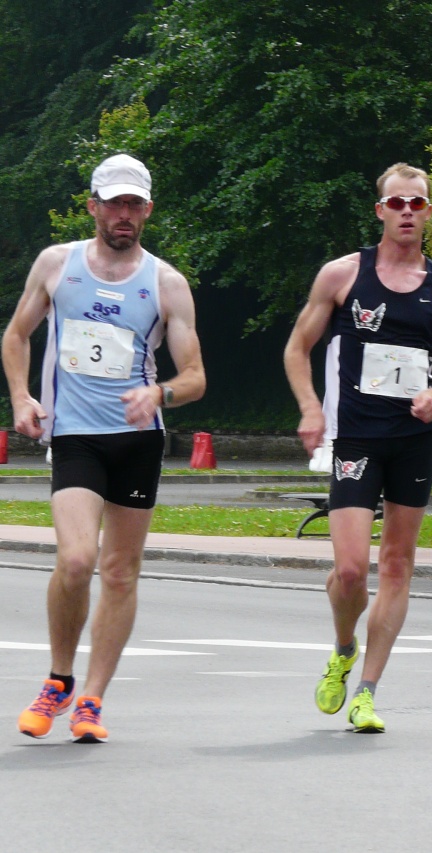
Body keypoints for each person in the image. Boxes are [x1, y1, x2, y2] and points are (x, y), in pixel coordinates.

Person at [2, 153, 206, 743]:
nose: (124, 215)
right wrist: (20, 397)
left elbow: (194, 375)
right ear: (93, 205)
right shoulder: (56, 265)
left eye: (134, 205)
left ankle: (91, 699)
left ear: (147, 210)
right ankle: (58, 679)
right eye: (113, 203)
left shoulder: (166, 283)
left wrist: (159, 393)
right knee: (75, 560)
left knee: (119, 572)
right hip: (74, 436)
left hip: (137, 441)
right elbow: (16, 335)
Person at [284, 162, 432, 733]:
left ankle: (367, 691)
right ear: (381, 211)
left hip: (416, 439)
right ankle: (344, 647)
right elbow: (297, 348)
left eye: (418, 203)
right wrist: (312, 409)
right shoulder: (343, 276)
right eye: (398, 203)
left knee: (395, 564)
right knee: (348, 571)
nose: (408, 212)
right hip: (358, 438)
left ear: (429, 212)